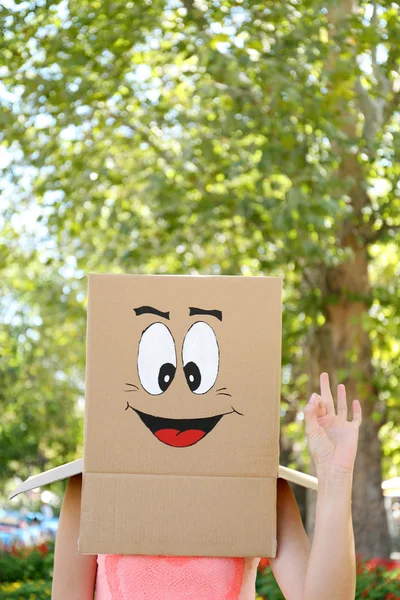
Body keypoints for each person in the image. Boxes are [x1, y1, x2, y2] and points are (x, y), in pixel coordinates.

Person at [52, 372, 362, 599]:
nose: (178, 394)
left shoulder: (262, 489)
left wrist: (335, 477)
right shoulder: (89, 488)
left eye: (194, 377)